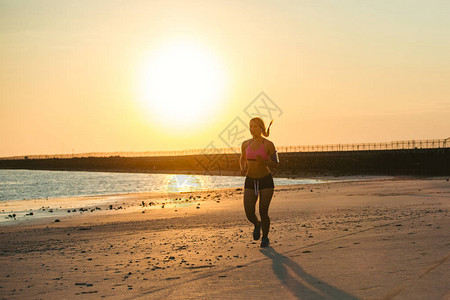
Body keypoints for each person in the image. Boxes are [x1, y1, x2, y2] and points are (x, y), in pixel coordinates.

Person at [240, 117, 279, 247]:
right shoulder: (245, 144)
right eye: (250, 126)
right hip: (250, 180)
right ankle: (257, 224)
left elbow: (276, 163)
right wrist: (242, 168)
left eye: (255, 126)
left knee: (263, 211)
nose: (252, 129)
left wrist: (263, 162)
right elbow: (242, 158)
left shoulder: (268, 144)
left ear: (261, 128)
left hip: (265, 181)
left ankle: (265, 238)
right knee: (249, 212)